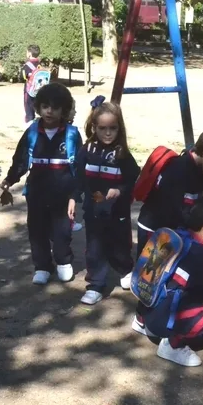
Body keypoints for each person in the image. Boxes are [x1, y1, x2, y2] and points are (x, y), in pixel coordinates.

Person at [130, 126, 203, 334]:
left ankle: (153, 312)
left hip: (170, 232)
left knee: (162, 276)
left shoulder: (196, 171)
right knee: (151, 276)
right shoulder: (179, 172)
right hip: (157, 231)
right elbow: (173, 209)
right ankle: (141, 316)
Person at [0, 83, 82, 285]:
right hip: (36, 192)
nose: (49, 111)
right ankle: (42, 266)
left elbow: (80, 168)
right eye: (45, 106)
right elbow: (20, 159)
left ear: (64, 109)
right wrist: (10, 179)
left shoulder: (72, 135)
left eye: (55, 107)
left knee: (62, 232)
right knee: (37, 231)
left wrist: (74, 196)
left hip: (63, 196)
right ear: (38, 108)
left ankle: (63, 261)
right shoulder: (32, 133)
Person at [138, 196, 203, 367]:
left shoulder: (174, 235)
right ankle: (172, 345)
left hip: (147, 310)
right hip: (163, 323)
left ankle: (140, 321)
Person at [68, 99, 140, 305]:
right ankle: (95, 285)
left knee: (119, 246)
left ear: (119, 128)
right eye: (102, 128)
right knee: (94, 249)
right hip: (93, 211)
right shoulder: (87, 150)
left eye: (113, 128)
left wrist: (120, 190)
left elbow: (133, 178)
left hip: (117, 211)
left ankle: (125, 269)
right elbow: (78, 178)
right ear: (94, 127)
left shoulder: (122, 154)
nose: (108, 133)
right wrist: (73, 197)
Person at [22, 45, 41, 123]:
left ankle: (29, 120)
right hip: (38, 89)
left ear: (29, 53)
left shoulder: (27, 65)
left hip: (29, 89)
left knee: (28, 106)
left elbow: (23, 76)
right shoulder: (39, 64)